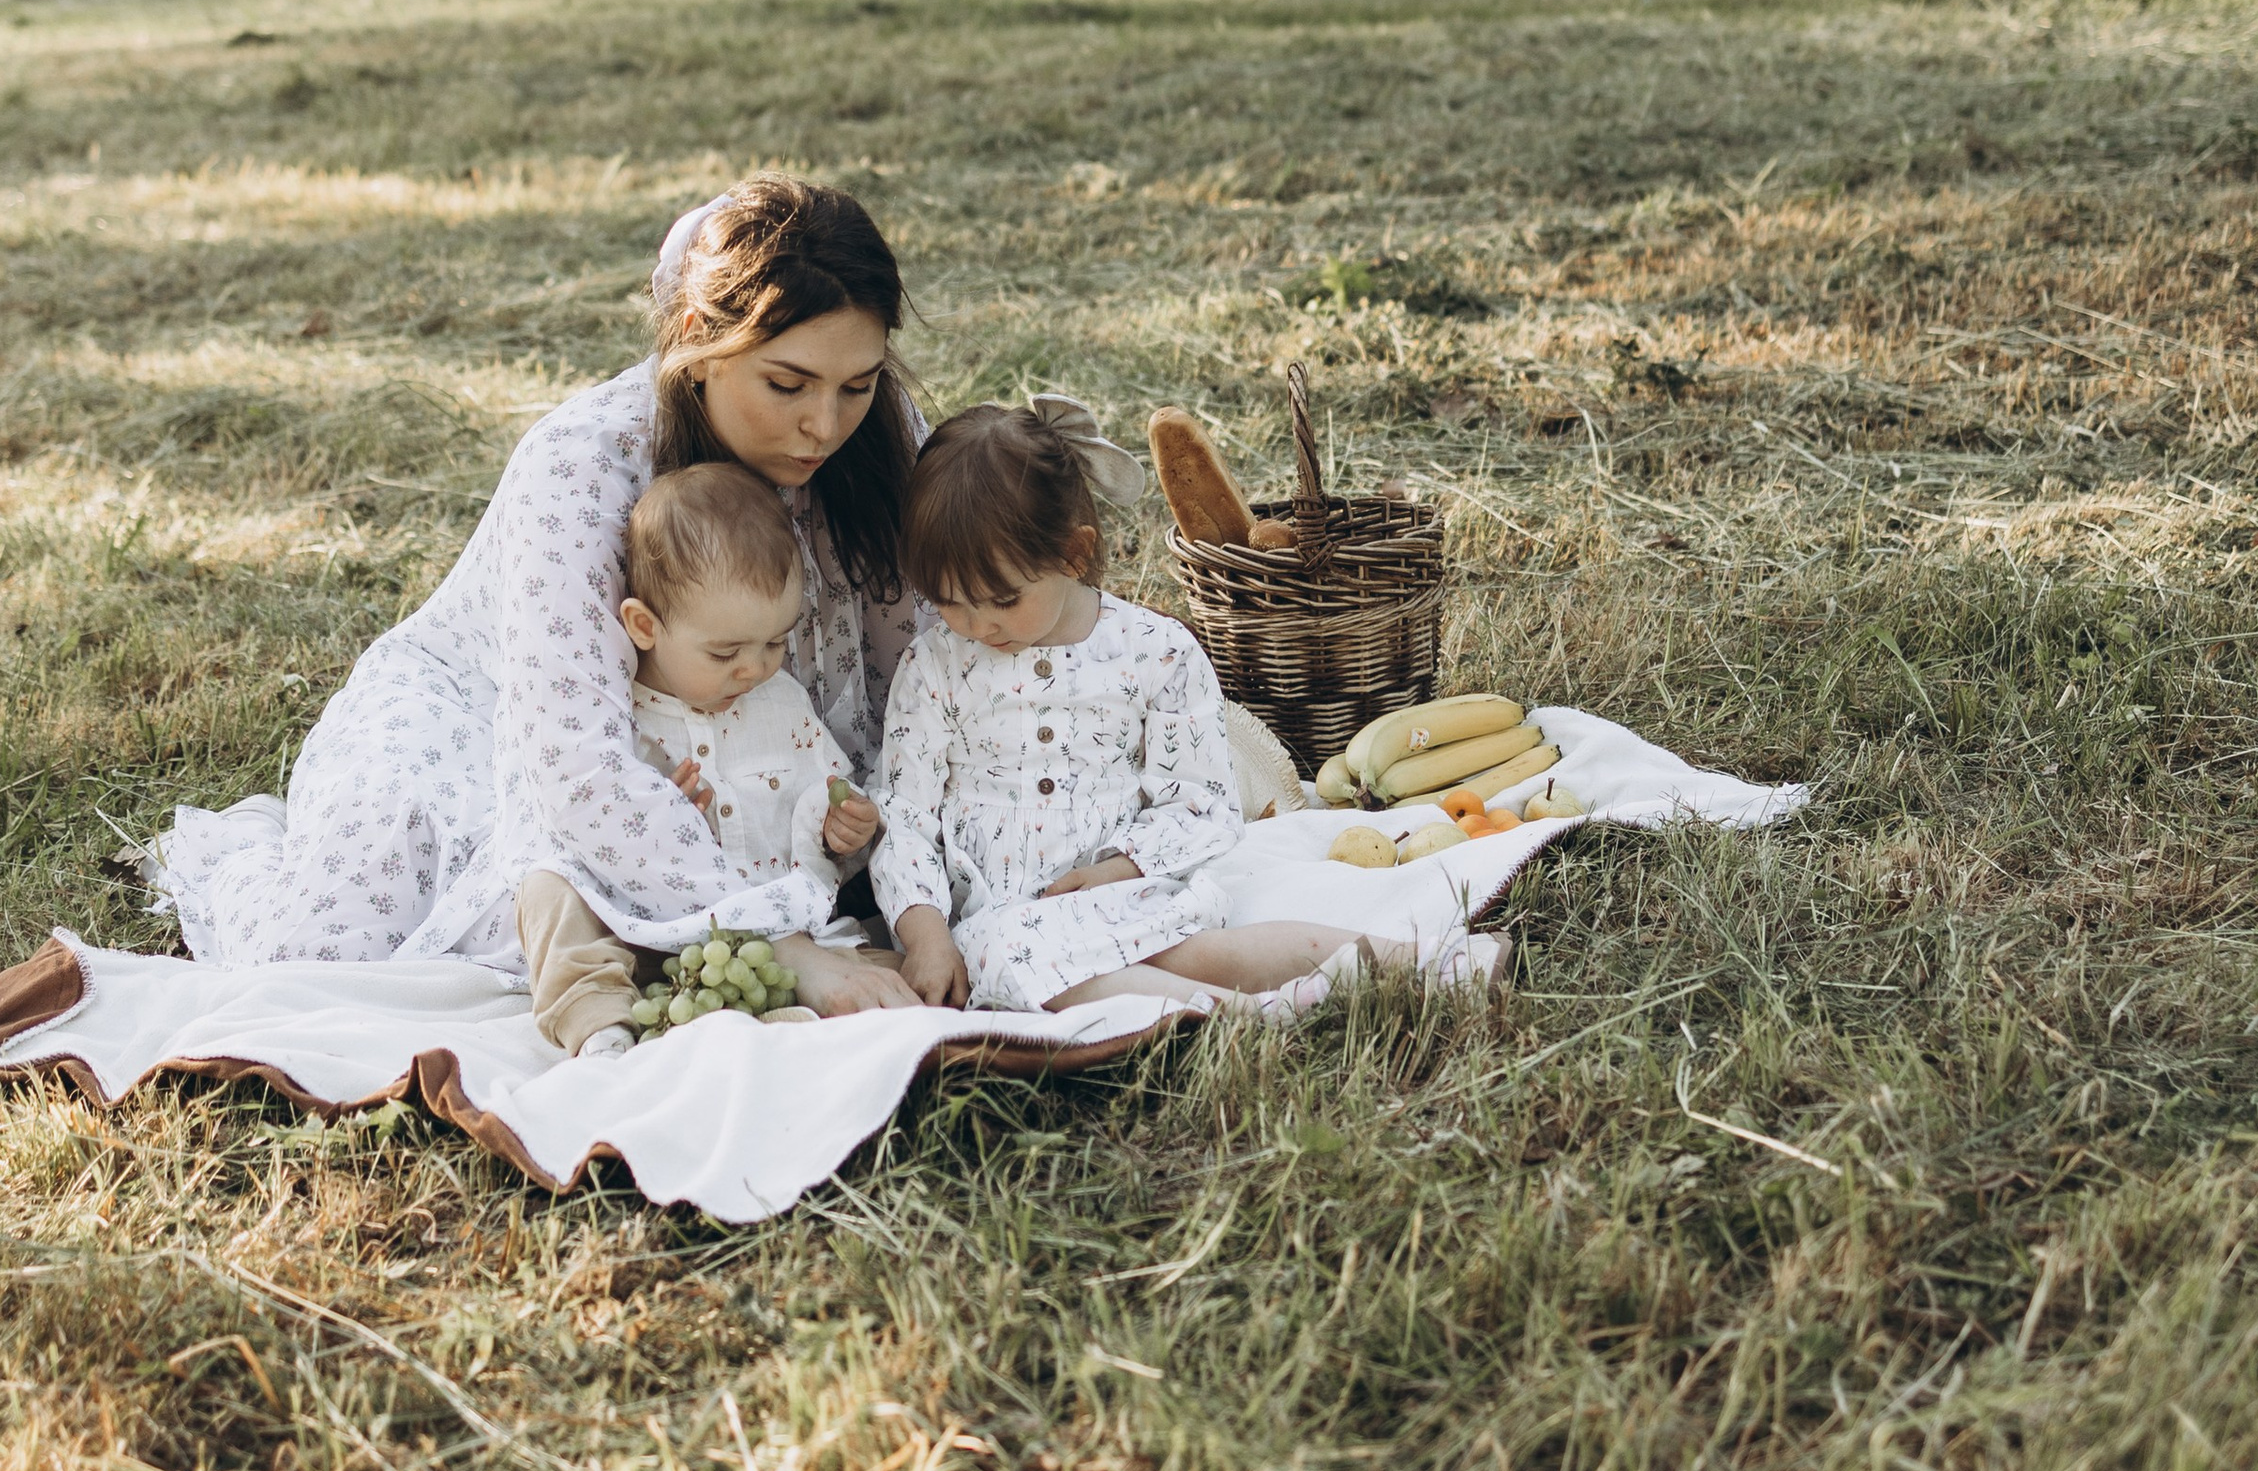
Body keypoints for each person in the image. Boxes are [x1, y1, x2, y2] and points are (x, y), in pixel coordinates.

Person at [143, 179, 918, 1015]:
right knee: (324, 960)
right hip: (486, 719)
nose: (824, 426)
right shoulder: (581, 465)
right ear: (697, 339)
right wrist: (781, 944)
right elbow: (573, 765)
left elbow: (918, 669)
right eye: (787, 384)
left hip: (746, 735)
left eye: (857, 385)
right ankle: (248, 849)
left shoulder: (873, 437)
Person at [873, 403, 1512, 1019]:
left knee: (1210, 952)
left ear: (1073, 554)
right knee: (1015, 953)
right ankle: (1248, 1017)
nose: (975, 624)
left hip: (1126, 890)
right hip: (997, 915)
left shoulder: (1154, 651)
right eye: (949, 603)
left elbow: (1200, 798)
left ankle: (1429, 963)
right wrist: (926, 931)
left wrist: (1121, 868)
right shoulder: (933, 667)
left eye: (1001, 600)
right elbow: (904, 813)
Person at [517, 462, 882, 1056]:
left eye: (773, 642)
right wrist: (661, 816)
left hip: (780, 933)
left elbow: (827, 793)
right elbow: (592, 824)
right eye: (724, 652)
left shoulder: (782, 703)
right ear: (644, 626)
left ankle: (779, 1017)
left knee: (867, 955)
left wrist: (849, 828)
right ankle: (598, 1022)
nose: (754, 668)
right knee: (550, 889)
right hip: (644, 935)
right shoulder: (621, 716)